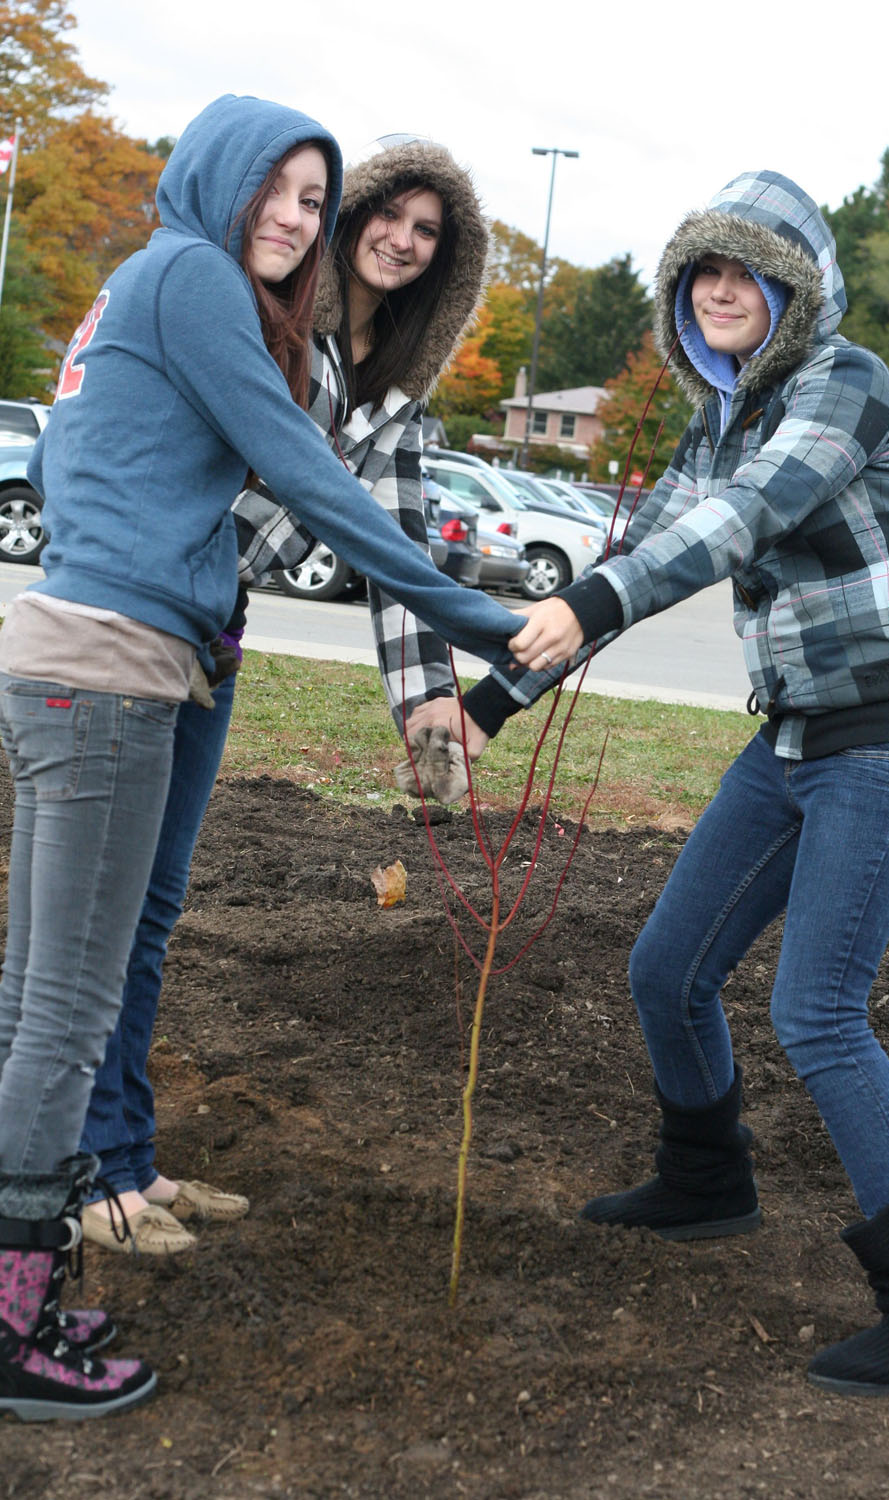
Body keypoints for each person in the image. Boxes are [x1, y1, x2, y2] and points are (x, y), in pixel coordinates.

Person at [413, 170, 889, 1396]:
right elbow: (648, 549)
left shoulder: (846, 384)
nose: (719, 291)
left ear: (797, 293)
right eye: (701, 274)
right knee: (666, 970)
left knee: (817, 1012)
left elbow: (739, 521)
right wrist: (485, 707)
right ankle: (705, 1181)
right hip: (793, 736)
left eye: (747, 273)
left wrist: (587, 600)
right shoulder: (722, 417)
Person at [0, 95, 522, 1421]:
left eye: (312, 198)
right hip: (115, 659)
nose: (302, 219)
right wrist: (495, 627)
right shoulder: (199, 282)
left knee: (53, 990)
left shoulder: (168, 285)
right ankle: (17, 1311)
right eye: (287, 193)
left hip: (120, 646)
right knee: (63, 1010)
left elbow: (79, 456)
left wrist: (430, 692)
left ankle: (60, 1232)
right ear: (226, 182)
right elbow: (305, 475)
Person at [77, 133, 495, 1256]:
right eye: (386, 214)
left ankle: (129, 1158)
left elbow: (396, 552)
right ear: (346, 214)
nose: (401, 241)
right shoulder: (258, 317)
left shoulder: (391, 394)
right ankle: (89, 1171)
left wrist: (429, 704)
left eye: (428, 233)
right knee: (102, 922)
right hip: (142, 617)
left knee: (152, 915)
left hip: (215, 635)